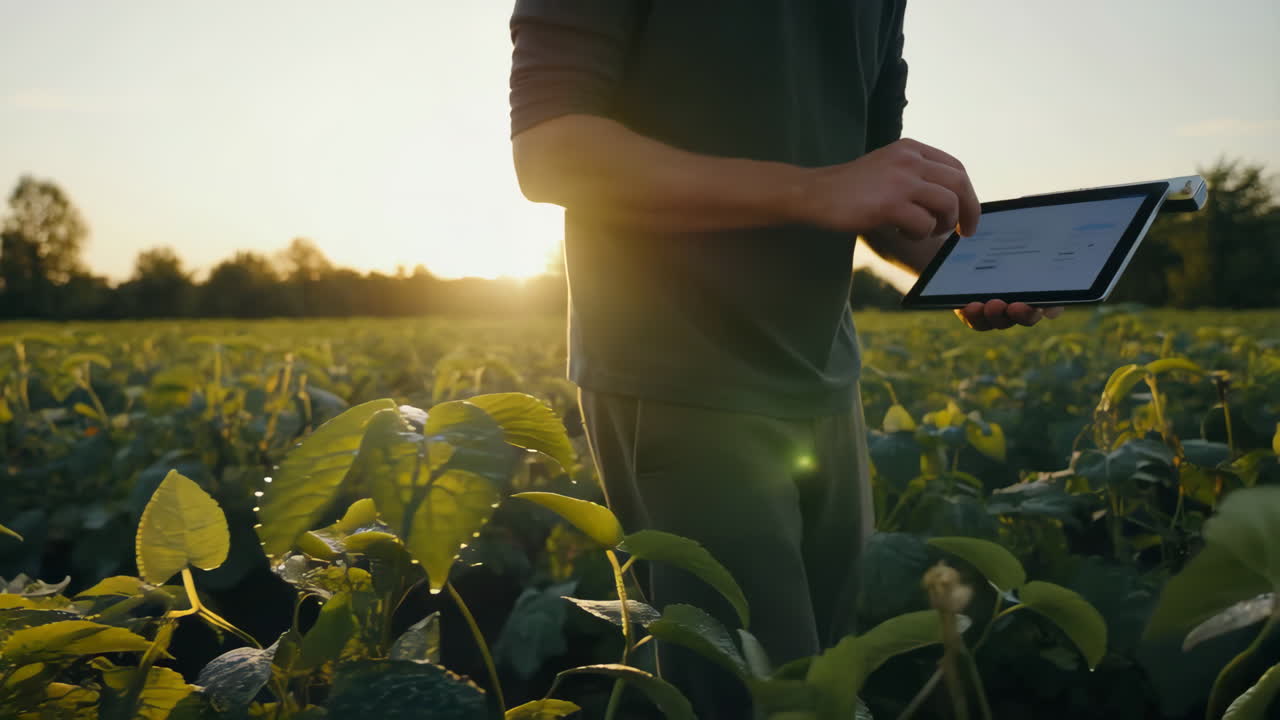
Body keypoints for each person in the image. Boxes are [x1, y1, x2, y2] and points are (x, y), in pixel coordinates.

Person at [507, 3, 1060, 717]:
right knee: (757, 701)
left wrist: (969, 266)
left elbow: (869, 177)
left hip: (826, 380)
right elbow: (550, 150)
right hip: (680, 372)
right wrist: (816, 190)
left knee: (823, 682)